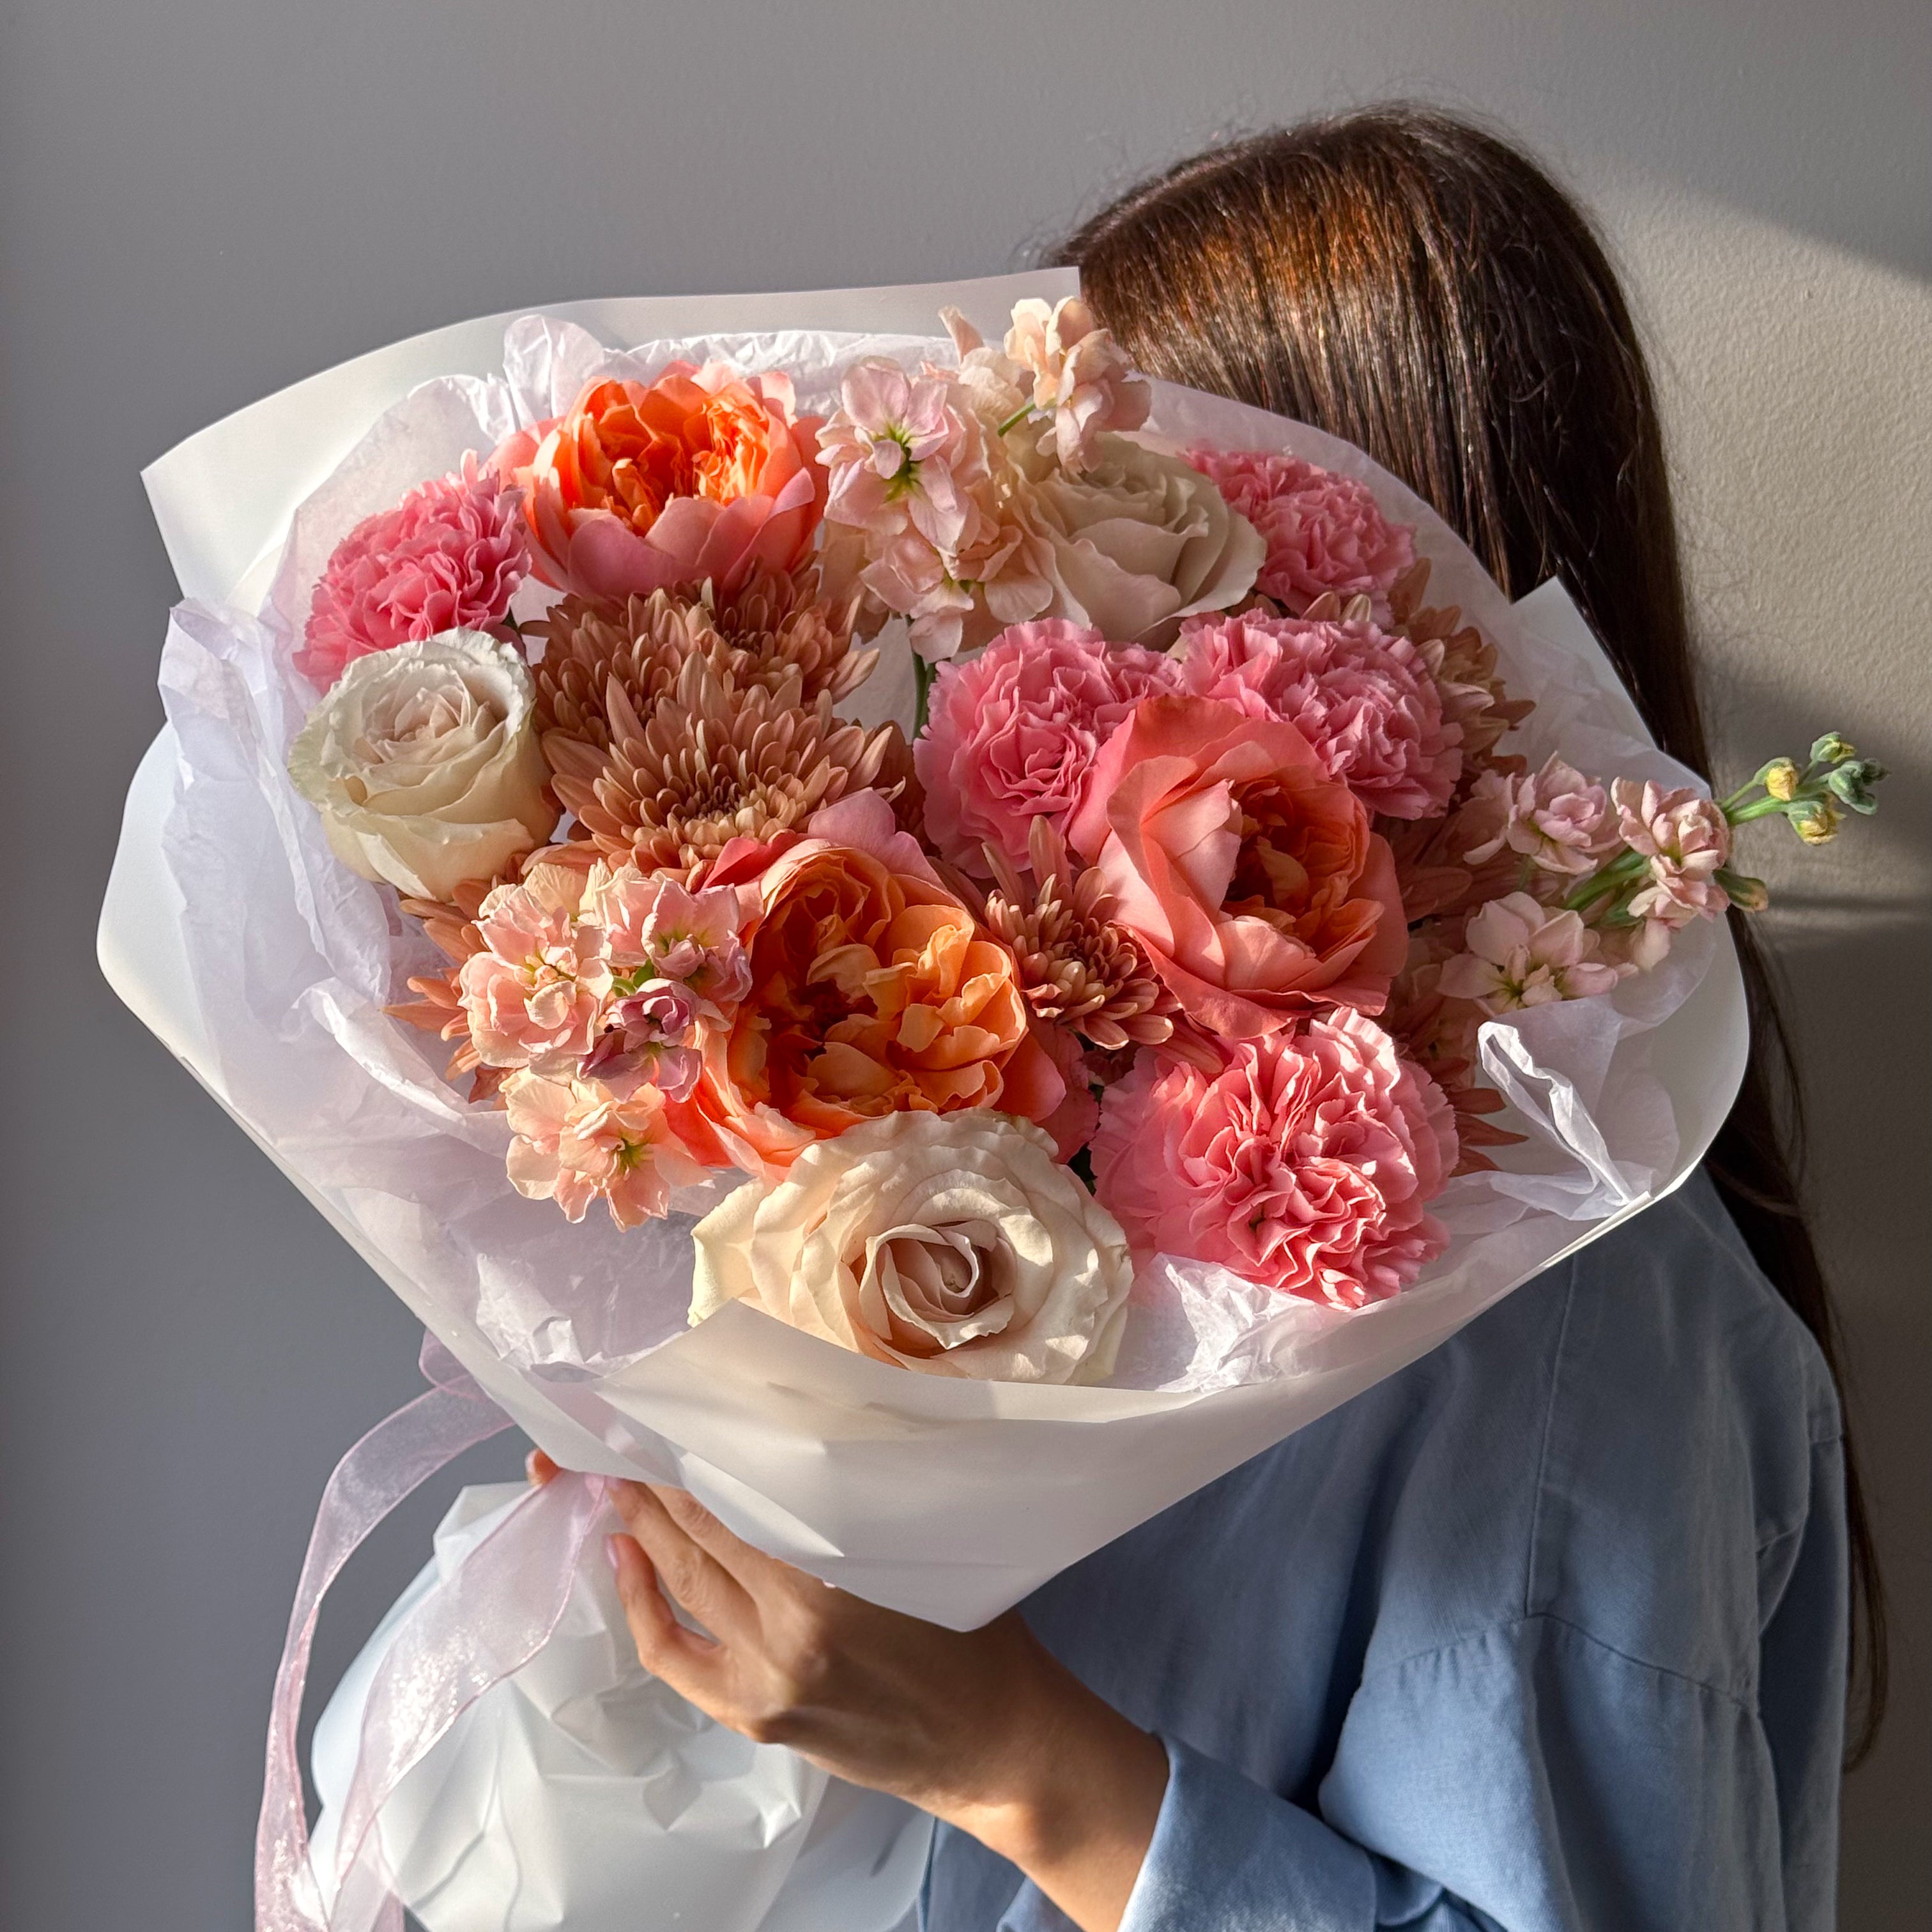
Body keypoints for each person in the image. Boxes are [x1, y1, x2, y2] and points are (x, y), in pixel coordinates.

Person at [536, 108, 1886, 1932]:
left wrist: (1010, 1760)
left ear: (1365, 593)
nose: (1035, 618)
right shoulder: (1095, 1159)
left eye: (1120, 510)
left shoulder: (1583, 1323)